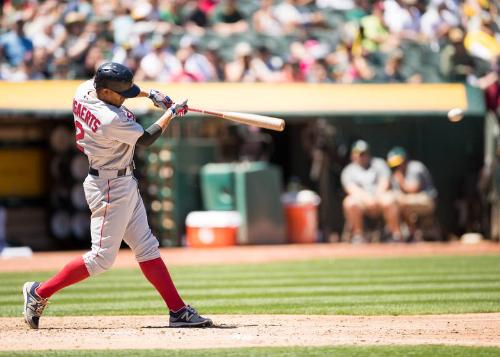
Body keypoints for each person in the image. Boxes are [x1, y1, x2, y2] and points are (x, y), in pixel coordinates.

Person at [22, 62, 212, 329]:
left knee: (146, 247)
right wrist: (170, 113)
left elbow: (119, 89)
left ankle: (178, 311)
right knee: (101, 258)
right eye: (120, 93)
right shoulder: (109, 119)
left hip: (122, 180)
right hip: (109, 184)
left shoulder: (84, 89)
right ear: (107, 92)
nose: (125, 96)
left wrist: (150, 95)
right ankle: (39, 292)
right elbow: (145, 139)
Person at [341, 140, 402, 243]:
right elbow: (351, 189)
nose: (362, 156)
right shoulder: (348, 170)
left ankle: (395, 235)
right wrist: (367, 199)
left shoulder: (379, 163)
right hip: (362, 201)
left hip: (379, 198)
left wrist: (376, 197)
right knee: (350, 202)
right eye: (359, 154)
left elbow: (385, 182)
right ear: (353, 155)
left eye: (365, 153)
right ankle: (358, 236)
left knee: (390, 199)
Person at [386, 147, 437, 237]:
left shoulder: (415, 167)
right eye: (394, 165)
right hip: (408, 201)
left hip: (426, 199)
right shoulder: (396, 173)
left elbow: (413, 189)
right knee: (393, 201)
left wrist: (401, 180)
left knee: (398, 201)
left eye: (399, 163)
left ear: (404, 159)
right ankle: (407, 233)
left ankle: (409, 233)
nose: (397, 167)